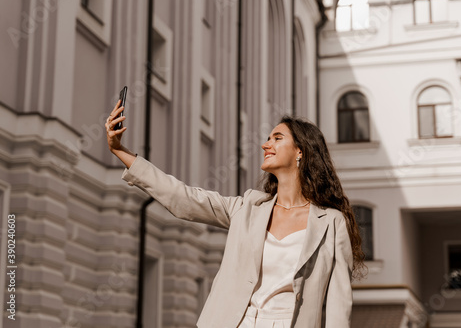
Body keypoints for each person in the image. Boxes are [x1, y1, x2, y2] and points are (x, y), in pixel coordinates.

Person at [105, 100, 366, 328]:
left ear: (301, 151)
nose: (266, 145)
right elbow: (183, 197)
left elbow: (338, 304)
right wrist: (121, 151)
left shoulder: (331, 223)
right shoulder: (247, 208)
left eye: (277, 138)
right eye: (268, 138)